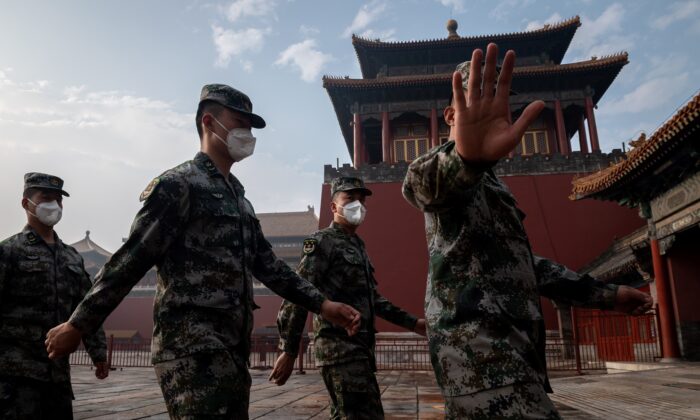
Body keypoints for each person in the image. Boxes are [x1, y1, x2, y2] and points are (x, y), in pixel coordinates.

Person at [44, 84, 361, 419]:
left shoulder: (241, 201)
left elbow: (271, 268)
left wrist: (324, 305)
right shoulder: (178, 184)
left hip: (231, 349)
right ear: (209, 123)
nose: (247, 134)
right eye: (239, 123)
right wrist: (78, 324)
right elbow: (131, 259)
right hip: (190, 347)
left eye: (250, 128)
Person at [402, 44, 654, 419]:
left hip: (512, 354)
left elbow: (522, 266)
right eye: (474, 100)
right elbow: (421, 186)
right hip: (482, 356)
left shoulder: (494, 187)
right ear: (451, 114)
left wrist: (605, 294)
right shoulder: (448, 174)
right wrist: (466, 156)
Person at [269, 176, 427, 419]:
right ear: (333, 206)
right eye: (350, 198)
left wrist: (412, 323)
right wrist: (289, 350)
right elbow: (299, 291)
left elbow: (372, 299)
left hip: (360, 349)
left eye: (362, 200)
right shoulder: (322, 241)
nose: (358, 205)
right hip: (338, 349)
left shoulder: (358, 246)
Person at [0, 173, 108, 420]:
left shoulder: (71, 257)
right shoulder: (9, 251)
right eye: (46, 198)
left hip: (58, 377)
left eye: (58, 200)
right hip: (15, 377)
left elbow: (86, 306)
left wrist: (98, 353)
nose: (54, 205)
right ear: (26, 203)